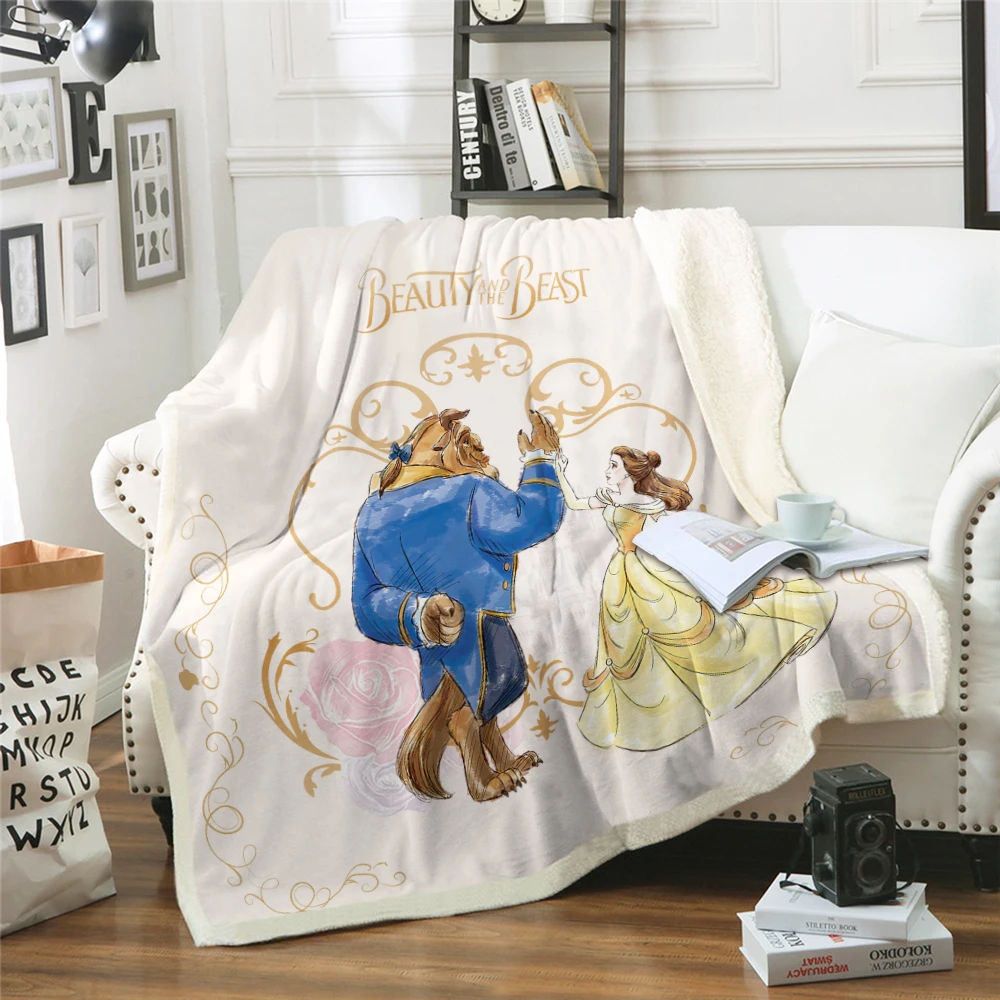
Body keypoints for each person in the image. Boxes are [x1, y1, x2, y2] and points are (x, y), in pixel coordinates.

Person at [555, 446, 836, 751]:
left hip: (646, 568)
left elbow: (672, 533)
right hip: (619, 574)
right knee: (625, 641)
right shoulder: (609, 497)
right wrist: (559, 469)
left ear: (629, 472)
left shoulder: (648, 505)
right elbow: (574, 502)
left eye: (613, 466)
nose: (607, 471)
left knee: (679, 624)